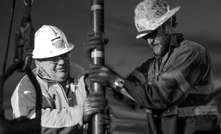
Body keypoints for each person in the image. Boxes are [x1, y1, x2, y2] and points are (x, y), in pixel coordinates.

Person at [85, 0, 220, 134]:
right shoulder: (150, 67)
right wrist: (99, 62)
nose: (149, 41)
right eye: (145, 37)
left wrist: (113, 80)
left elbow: (161, 97)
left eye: (152, 33)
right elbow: (131, 94)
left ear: (168, 24)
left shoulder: (191, 53)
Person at [11, 25, 109, 134]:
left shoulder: (82, 77)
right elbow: (32, 123)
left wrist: (105, 122)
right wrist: (80, 115)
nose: (62, 62)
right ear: (38, 62)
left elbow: (105, 111)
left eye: (64, 55)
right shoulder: (28, 87)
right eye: (54, 59)